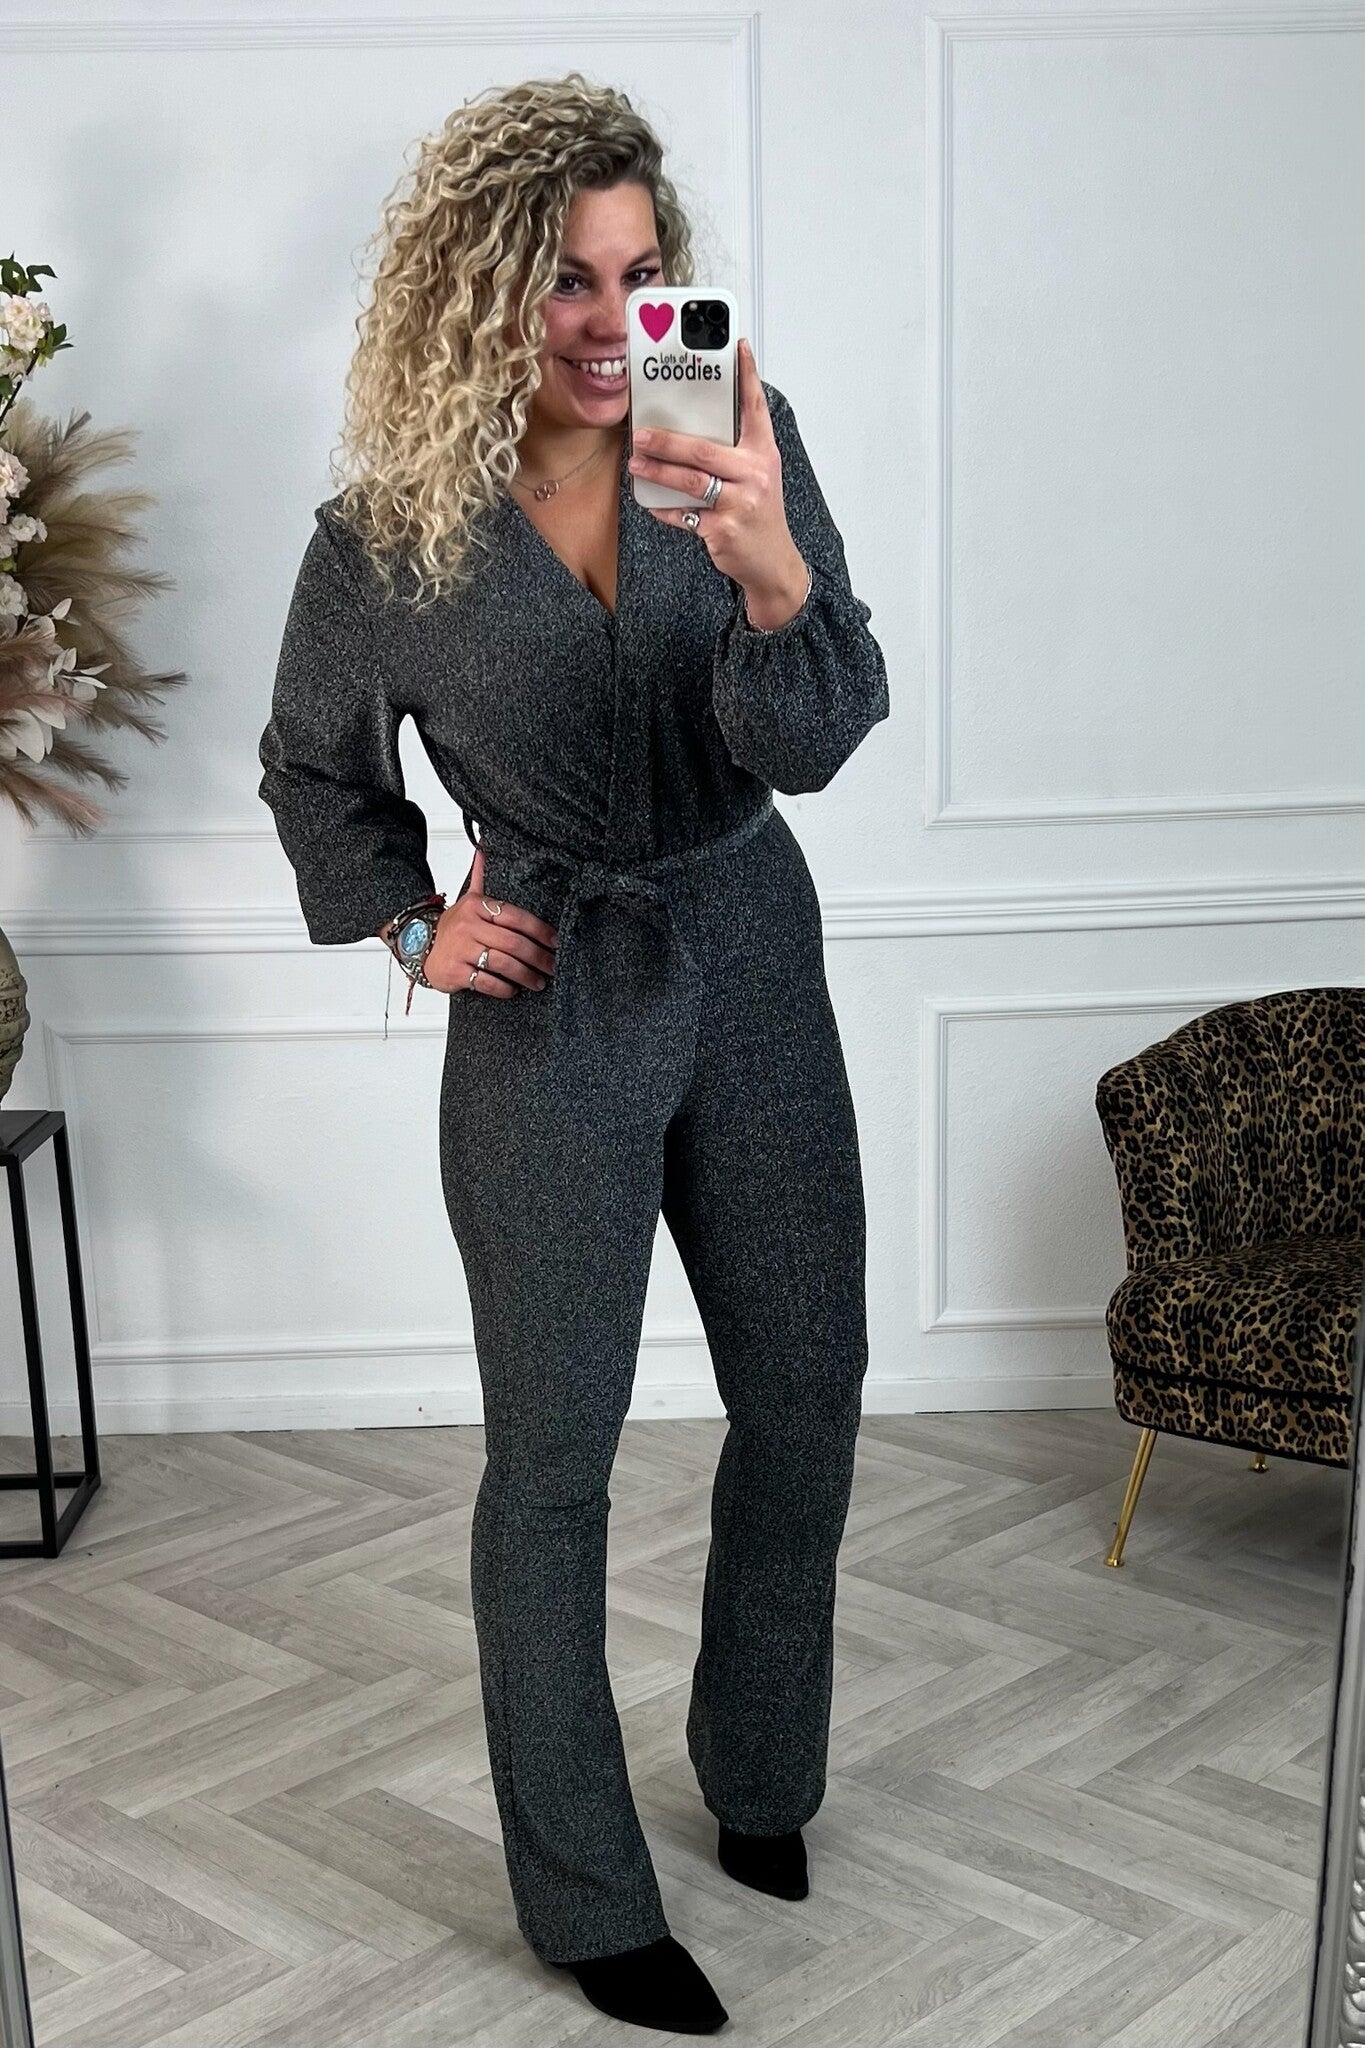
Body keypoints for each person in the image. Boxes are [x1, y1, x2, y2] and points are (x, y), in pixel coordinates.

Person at [258, 71, 890, 2037]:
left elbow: (814, 732)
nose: (612, 322)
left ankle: (759, 1772)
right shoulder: (386, 539)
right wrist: (409, 923)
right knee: (551, 1463)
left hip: (749, 940)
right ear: (475, 291)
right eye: (562, 280)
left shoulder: (733, 434)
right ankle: (587, 1897)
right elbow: (310, 770)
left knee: (805, 1389)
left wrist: (772, 567)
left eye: (637, 273)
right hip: (547, 991)